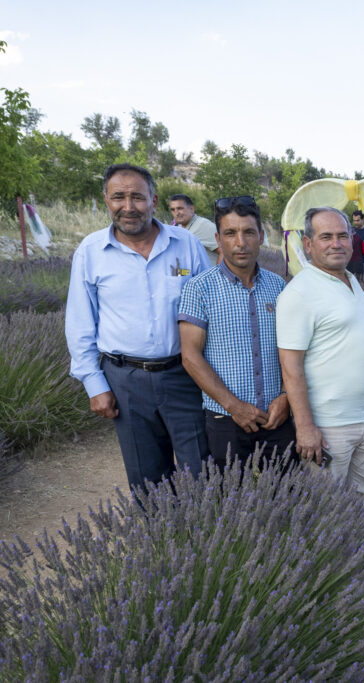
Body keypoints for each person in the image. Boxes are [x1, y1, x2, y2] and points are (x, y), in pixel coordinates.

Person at [66, 163, 210, 491]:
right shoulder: (90, 252)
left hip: (186, 376)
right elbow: (80, 323)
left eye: (137, 197)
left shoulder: (186, 244)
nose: (128, 206)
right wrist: (94, 384)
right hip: (125, 381)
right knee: (148, 482)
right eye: (119, 197)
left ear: (154, 201)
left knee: (203, 473)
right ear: (106, 201)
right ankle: (158, 526)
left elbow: (210, 308)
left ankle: (207, 525)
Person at [276, 207, 364, 502]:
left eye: (342, 236)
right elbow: (291, 368)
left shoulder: (351, 280)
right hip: (329, 427)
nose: (336, 244)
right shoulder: (299, 293)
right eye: (326, 237)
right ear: (308, 244)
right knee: (327, 510)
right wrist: (305, 428)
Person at [177, 196, 294, 469]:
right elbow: (190, 356)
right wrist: (234, 407)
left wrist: (286, 397)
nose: (240, 242)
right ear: (218, 240)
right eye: (230, 233)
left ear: (261, 236)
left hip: (276, 417)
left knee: (287, 490)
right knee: (229, 491)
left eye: (249, 232)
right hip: (225, 420)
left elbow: (293, 350)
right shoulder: (199, 288)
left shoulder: (278, 286)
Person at [169, 193, 219, 266]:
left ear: (191, 209)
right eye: (173, 210)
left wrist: (218, 272)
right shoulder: (178, 229)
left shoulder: (203, 225)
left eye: (180, 208)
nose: (176, 213)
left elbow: (224, 252)